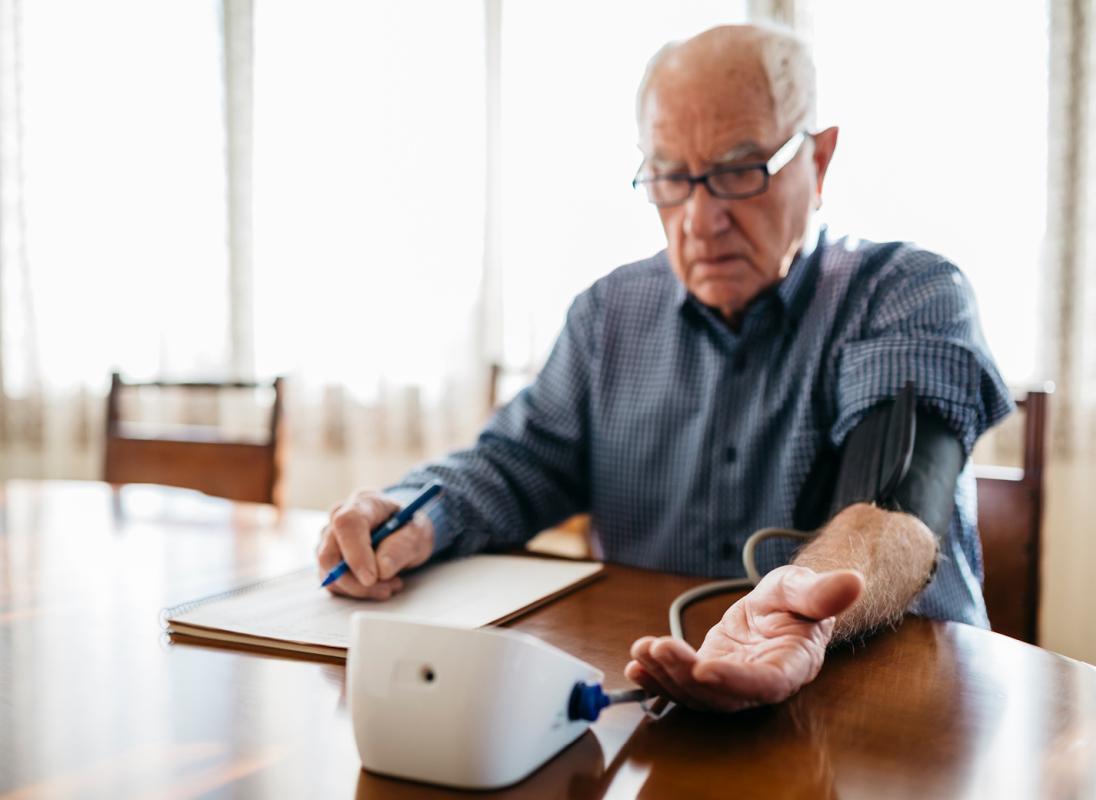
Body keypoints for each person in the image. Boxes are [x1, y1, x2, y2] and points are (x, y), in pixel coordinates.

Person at [316, 22, 1012, 712]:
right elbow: (513, 466)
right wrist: (409, 515)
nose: (700, 219)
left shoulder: (906, 293)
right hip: (657, 696)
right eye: (671, 179)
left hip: (888, 707)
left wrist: (811, 602)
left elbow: (895, 504)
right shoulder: (609, 315)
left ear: (819, 161)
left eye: (740, 172)